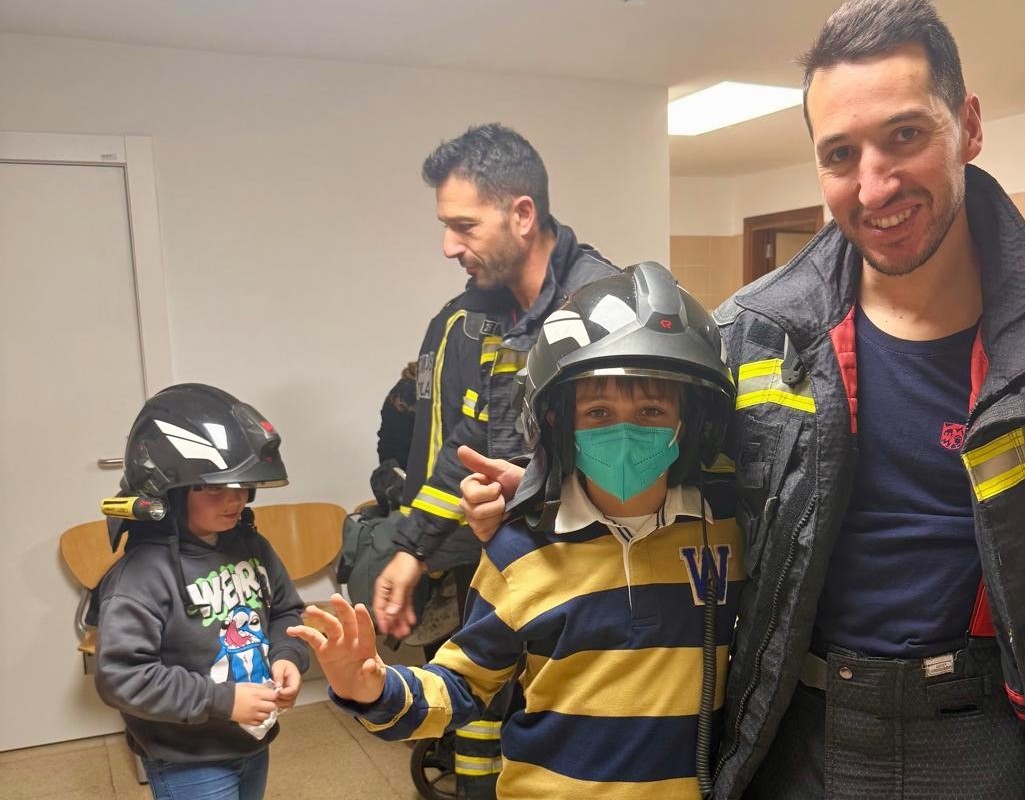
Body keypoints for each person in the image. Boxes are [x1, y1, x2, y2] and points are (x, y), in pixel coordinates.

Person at [458, 2, 1025, 797]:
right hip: (792, 717)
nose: (873, 184)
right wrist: (571, 490)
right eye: (840, 153)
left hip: (999, 729)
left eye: (906, 135)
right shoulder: (754, 333)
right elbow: (693, 486)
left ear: (970, 127)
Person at [291, 262, 744, 798]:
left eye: (650, 409)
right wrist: (369, 687)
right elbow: (463, 684)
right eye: (598, 411)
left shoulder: (726, 532)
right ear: (558, 422)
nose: (625, 431)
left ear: (690, 423)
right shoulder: (518, 549)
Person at [373, 123, 617, 637]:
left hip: (596, 583)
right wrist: (411, 548)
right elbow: (472, 438)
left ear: (522, 215)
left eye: (464, 226)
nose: (447, 246)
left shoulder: (606, 309)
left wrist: (532, 495)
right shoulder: (493, 317)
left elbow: (635, 464)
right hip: (513, 564)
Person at [93, 384, 309, 800]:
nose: (236, 500)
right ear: (170, 491)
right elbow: (121, 677)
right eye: (214, 488)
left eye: (243, 485)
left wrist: (288, 657)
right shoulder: (142, 575)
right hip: (186, 756)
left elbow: (286, 613)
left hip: (251, 740)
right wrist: (221, 700)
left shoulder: (253, 546)